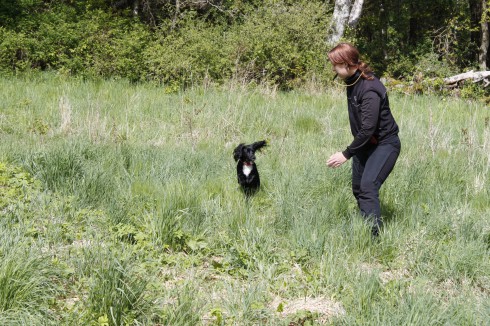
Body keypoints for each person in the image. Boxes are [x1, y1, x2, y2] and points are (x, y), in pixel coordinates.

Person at [326, 43, 401, 237]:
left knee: (368, 186)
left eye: (335, 64)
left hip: (385, 144)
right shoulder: (353, 80)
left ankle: (372, 238)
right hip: (366, 144)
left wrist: (346, 154)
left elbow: (368, 128)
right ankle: (364, 228)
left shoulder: (369, 88)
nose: (333, 68)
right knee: (358, 188)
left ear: (348, 64)